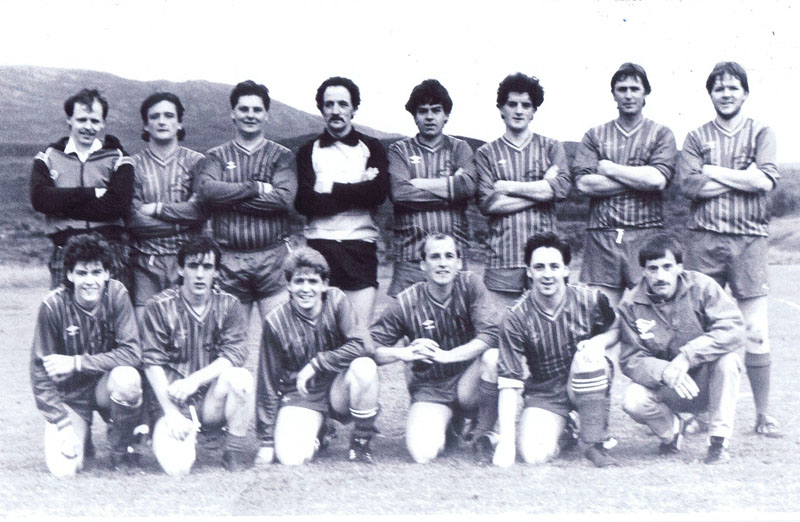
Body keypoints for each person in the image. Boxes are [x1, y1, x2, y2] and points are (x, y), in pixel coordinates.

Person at [677, 61, 781, 438]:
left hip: (750, 238)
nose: (726, 93)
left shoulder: (761, 132)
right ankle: (701, 412)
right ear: (711, 94)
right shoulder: (695, 137)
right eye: (719, 88)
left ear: (745, 93)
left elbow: (764, 181)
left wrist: (714, 172)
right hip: (704, 238)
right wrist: (743, 177)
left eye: (733, 87)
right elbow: (689, 186)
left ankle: (763, 414)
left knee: (755, 330)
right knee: (702, 329)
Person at [371, 233, 501, 464]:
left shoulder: (470, 284)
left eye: (449, 256)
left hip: (467, 382)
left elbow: (490, 335)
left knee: (492, 358)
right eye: (435, 257)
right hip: (431, 388)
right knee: (423, 454)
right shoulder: (406, 301)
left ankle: (484, 434)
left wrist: (447, 356)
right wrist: (403, 353)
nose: (443, 263)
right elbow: (370, 348)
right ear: (423, 264)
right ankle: (450, 425)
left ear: (459, 262)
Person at [493, 233, 619, 468]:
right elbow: (509, 380)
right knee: (533, 455)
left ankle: (594, 443)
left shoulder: (591, 300)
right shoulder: (515, 317)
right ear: (529, 271)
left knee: (588, 359)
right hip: (545, 392)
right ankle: (567, 432)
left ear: (565, 270)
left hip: (584, 378)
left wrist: (599, 342)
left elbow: (615, 328)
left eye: (554, 266)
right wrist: (507, 443)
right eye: (539, 267)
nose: (547, 274)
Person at [618, 234, 745, 463]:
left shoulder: (703, 287)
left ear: (679, 266)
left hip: (707, 381)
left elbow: (733, 328)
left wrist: (688, 356)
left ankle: (718, 441)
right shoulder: (630, 305)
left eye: (667, 267)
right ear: (643, 271)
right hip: (669, 386)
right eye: (653, 269)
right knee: (632, 399)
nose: (660, 276)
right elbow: (631, 358)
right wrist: (664, 370)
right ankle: (672, 432)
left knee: (729, 361)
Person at [30, 234, 142, 476]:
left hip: (106, 387)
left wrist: (76, 362)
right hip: (71, 396)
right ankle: (81, 435)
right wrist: (61, 423)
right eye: (82, 273)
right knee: (64, 470)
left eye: (96, 272)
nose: (90, 281)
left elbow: (132, 353)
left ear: (107, 274)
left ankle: (121, 448)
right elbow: (40, 372)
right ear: (69, 275)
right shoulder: (52, 306)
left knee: (128, 379)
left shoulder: (117, 295)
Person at [256, 247, 380, 465]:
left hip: (337, 388)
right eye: (299, 281)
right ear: (288, 285)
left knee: (364, 367)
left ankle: (361, 440)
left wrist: (318, 363)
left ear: (324, 284)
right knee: (290, 458)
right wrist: (266, 441)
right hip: (302, 394)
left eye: (313, 281)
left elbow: (363, 345)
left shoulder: (337, 301)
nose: (306, 289)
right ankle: (319, 431)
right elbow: (267, 381)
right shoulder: (274, 322)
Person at [141, 236, 255, 473]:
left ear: (216, 272)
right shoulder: (159, 306)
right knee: (178, 469)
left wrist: (194, 380)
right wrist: (171, 413)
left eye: (207, 267)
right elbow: (151, 362)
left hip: (209, 401)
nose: (200, 274)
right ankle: (171, 432)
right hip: (171, 401)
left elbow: (234, 353)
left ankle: (233, 450)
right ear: (181, 269)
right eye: (193, 266)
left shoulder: (230, 305)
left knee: (241, 378)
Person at [574, 63, 678, 309]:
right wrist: (639, 178)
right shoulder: (595, 135)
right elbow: (584, 184)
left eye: (635, 88)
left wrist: (610, 169)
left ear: (645, 93)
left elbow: (657, 179)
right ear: (613, 94)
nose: (629, 95)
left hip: (646, 234)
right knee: (600, 314)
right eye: (622, 89)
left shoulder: (661, 133)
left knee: (648, 313)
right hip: (602, 235)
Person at [196, 80, 297, 333]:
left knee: (283, 338)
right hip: (229, 259)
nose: (250, 115)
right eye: (243, 109)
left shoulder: (282, 155)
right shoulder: (216, 155)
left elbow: (284, 199)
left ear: (266, 114)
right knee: (230, 343)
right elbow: (207, 191)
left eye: (256, 109)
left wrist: (228, 198)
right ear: (233, 113)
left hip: (273, 258)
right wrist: (255, 187)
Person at [295, 76, 389, 322]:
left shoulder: (372, 147)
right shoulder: (308, 151)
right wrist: (359, 189)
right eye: (329, 104)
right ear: (321, 109)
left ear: (354, 109)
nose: (335, 111)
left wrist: (328, 188)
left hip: (360, 247)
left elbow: (378, 194)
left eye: (342, 104)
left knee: (357, 336)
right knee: (318, 335)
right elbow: (304, 202)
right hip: (319, 247)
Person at [475, 73, 572, 307]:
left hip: (546, 260)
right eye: (512, 104)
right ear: (501, 108)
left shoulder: (551, 147)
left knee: (548, 330)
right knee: (501, 332)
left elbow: (560, 189)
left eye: (526, 105)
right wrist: (541, 189)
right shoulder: (486, 153)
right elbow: (489, 203)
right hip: (503, 259)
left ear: (533, 111)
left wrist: (509, 187)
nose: (519, 110)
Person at [30, 88, 134, 290]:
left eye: (95, 121)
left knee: (113, 316)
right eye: (82, 120)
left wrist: (61, 205)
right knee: (65, 317)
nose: (88, 127)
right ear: (70, 119)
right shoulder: (47, 157)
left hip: (111, 251)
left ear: (103, 123)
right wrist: (92, 193)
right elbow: (41, 199)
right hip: (65, 251)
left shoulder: (120, 157)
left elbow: (118, 205)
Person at [386, 79, 477, 296]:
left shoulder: (460, 148)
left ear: (446, 115)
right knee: (405, 321)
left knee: (455, 323)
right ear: (414, 116)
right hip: (410, 256)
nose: (429, 117)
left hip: (452, 257)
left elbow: (467, 187)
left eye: (436, 110)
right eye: (422, 111)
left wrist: (418, 183)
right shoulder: (399, 150)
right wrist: (451, 190)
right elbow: (399, 193)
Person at [127, 92, 206, 322]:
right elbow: (133, 219)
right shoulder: (131, 165)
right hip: (144, 263)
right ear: (145, 124)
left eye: (169, 115)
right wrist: (182, 223)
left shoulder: (197, 161)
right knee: (147, 336)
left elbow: (199, 211)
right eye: (155, 116)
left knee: (187, 335)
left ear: (179, 122)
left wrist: (156, 209)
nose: (162, 121)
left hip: (187, 262)